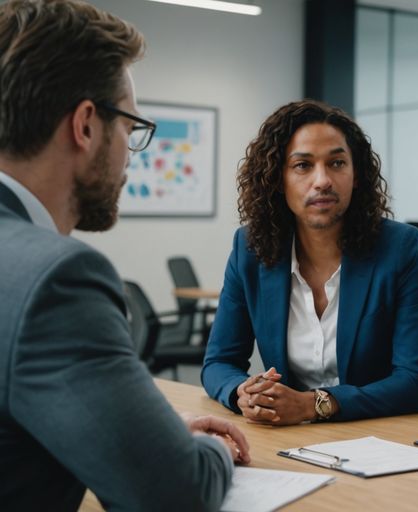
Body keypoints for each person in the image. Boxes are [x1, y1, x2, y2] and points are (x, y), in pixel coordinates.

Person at [0, 1, 245, 509]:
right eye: (131, 130)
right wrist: (206, 449)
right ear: (87, 125)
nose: (130, 158)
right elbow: (176, 493)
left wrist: (141, 429)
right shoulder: (54, 277)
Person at [202, 100, 418, 425]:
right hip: (288, 435)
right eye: (302, 165)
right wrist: (241, 392)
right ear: (277, 178)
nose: (322, 180)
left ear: (356, 175)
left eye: (337, 163)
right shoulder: (250, 249)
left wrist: (315, 404)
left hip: (379, 434)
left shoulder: (400, 247)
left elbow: (416, 379)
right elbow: (218, 362)